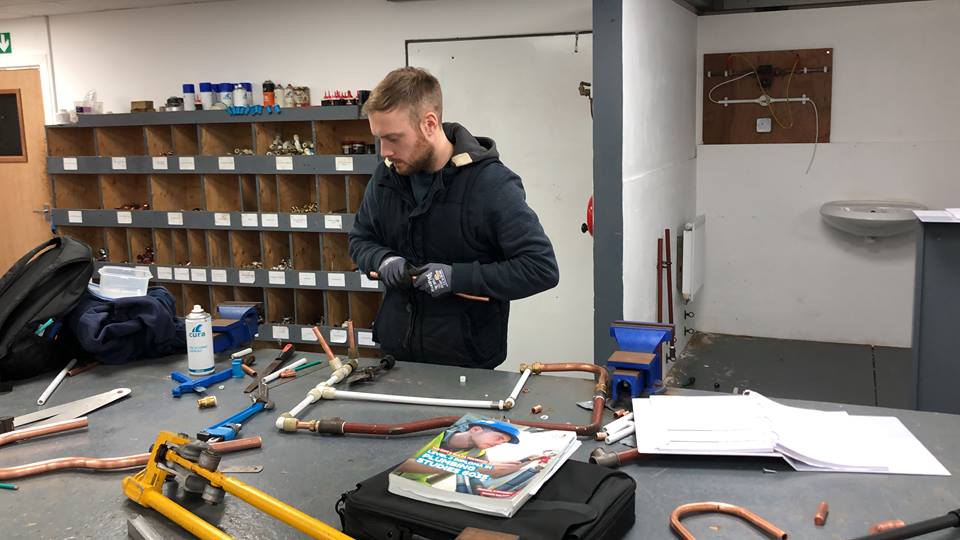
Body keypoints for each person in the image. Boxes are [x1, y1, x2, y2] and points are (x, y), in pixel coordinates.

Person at [348, 67, 559, 369]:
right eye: (379, 138)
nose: (385, 151)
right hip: (396, 356)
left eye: (393, 138)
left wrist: (456, 277)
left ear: (429, 124)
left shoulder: (490, 184)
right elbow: (360, 239)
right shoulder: (386, 178)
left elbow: (540, 268)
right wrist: (382, 260)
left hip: (466, 364)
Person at [394, 419, 525, 484]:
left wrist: (521, 466)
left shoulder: (478, 453)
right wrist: (467, 467)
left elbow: (489, 473)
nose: (498, 444)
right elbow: (401, 464)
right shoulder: (434, 434)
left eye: (502, 442)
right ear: (475, 429)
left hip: (414, 484)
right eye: (499, 438)